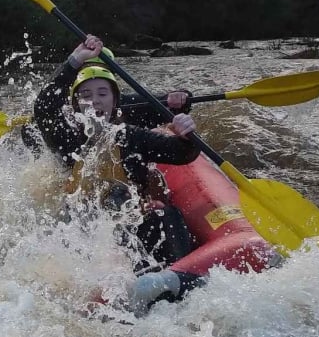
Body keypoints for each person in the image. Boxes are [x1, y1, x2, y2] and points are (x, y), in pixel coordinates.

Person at [32, 34, 202, 285]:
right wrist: (74, 61)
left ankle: (176, 279)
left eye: (103, 93)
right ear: (76, 103)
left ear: (114, 102)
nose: (95, 100)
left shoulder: (129, 136)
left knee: (163, 214)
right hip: (86, 225)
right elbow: (44, 108)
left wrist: (187, 135)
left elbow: (181, 153)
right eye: (86, 95)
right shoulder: (65, 139)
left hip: (129, 218)